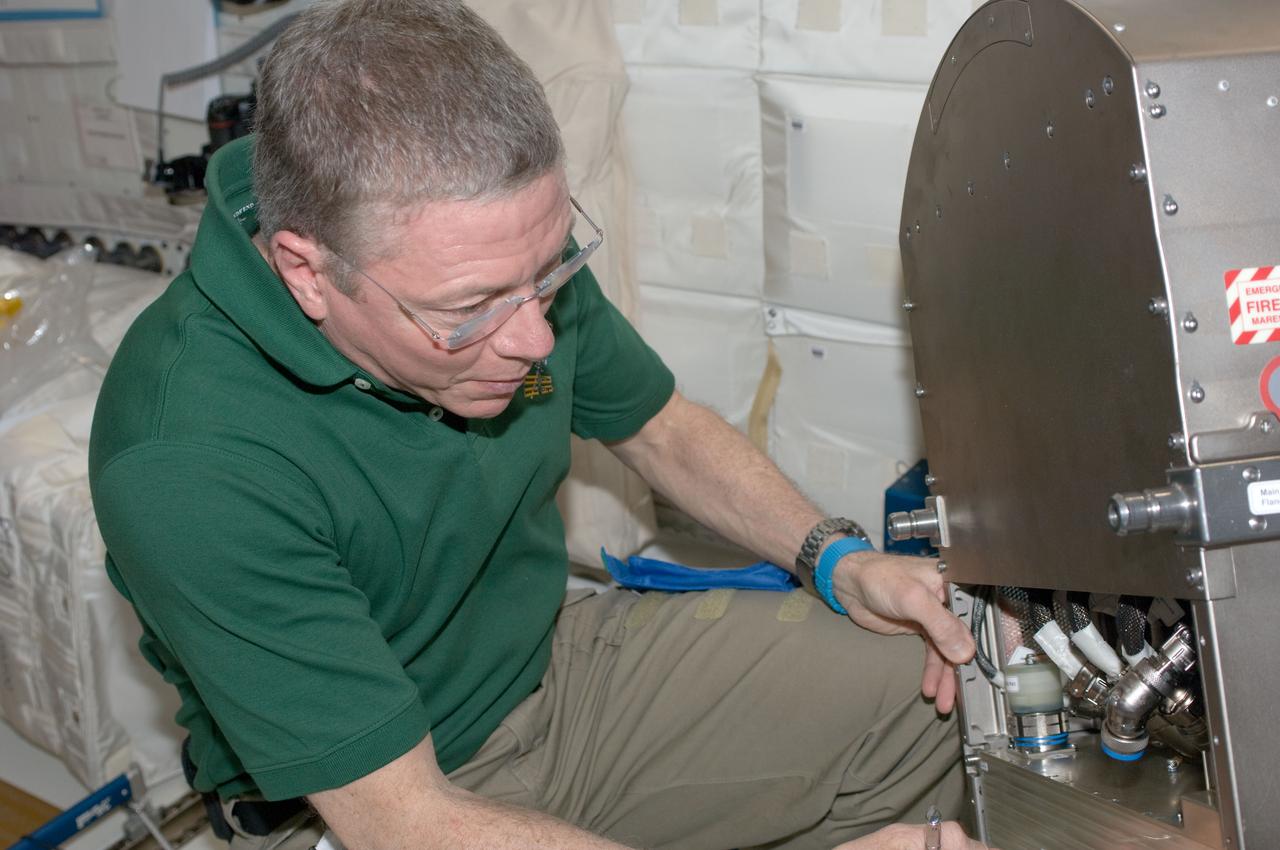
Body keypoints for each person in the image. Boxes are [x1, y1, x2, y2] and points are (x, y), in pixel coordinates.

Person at [88, 2, 992, 849]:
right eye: (473, 308)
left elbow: (659, 427)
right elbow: (404, 821)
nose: (530, 336)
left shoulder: (490, 255)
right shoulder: (186, 458)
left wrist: (838, 558)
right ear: (307, 272)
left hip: (547, 674)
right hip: (367, 801)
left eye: (548, 271)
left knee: (922, 693)